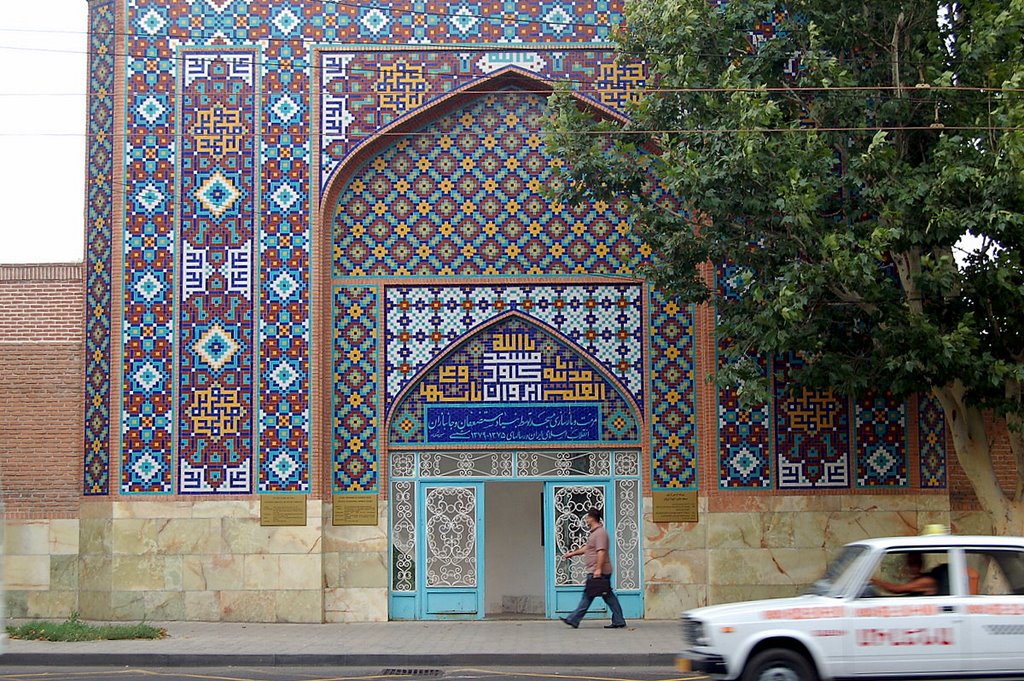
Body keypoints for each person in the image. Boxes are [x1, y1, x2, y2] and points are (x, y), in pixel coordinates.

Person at [560, 507, 627, 629]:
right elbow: (588, 548)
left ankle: (573, 619)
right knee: (607, 596)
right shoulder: (595, 533)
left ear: (591, 518)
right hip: (597, 570)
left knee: (589, 595)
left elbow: (601, 551)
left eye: (587, 517)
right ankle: (618, 620)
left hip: (598, 571)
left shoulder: (600, 533)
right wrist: (572, 554)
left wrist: (598, 569)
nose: (586, 520)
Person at [870, 553, 942, 596]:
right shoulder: (917, 578)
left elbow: (898, 589)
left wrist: (875, 582)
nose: (910, 568)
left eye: (913, 564)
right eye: (909, 564)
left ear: (920, 564)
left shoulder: (926, 580)